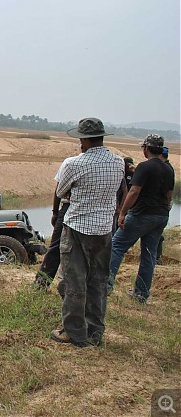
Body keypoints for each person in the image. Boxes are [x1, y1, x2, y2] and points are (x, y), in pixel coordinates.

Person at [50, 118, 123, 348]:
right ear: (102, 137)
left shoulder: (74, 164)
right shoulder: (118, 162)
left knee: (74, 281)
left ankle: (74, 332)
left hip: (78, 228)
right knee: (98, 280)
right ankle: (95, 332)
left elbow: (61, 191)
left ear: (83, 140)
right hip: (104, 229)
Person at [107, 136, 174, 303]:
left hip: (142, 214)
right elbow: (169, 195)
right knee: (149, 255)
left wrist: (122, 213)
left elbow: (134, 191)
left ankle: (105, 285)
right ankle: (141, 294)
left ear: (146, 148)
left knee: (116, 246)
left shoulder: (145, 166)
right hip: (161, 215)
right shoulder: (168, 169)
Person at [33, 154, 77, 291]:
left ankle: (42, 284)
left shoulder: (69, 162)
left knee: (56, 246)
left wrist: (55, 212)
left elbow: (59, 190)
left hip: (69, 207)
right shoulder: (114, 163)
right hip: (96, 213)